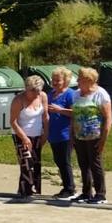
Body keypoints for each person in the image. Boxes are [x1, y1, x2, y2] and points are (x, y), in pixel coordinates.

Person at [70, 67, 112, 205]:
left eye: (80, 79)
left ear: (89, 80)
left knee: (95, 164)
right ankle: (86, 192)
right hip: (79, 135)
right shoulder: (76, 94)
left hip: (95, 136)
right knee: (83, 164)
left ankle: (100, 194)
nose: (77, 81)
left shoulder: (101, 94)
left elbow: (108, 118)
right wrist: (72, 134)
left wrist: (103, 140)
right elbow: (74, 114)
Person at [9, 76, 49, 201]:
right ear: (27, 89)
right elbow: (13, 122)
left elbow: (45, 117)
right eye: (33, 91)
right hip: (21, 134)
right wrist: (24, 138)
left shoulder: (42, 96)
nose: (36, 94)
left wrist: (45, 134)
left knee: (36, 162)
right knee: (27, 163)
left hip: (37, 133)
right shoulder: (18, 100)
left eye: (38, 91)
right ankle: (26, 191)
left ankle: (32, 188)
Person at [44, 67, 77, 200]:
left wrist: (60, 110)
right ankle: (66, 186)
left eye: (58, 80)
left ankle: (70, 189)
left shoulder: (70, 94)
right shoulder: (50, 94)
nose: (55, 82)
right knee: (58, 161)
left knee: (65, 161)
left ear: (66, 81)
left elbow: (76, 113)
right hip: (53, 134)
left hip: (66, 134)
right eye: (53, 80)